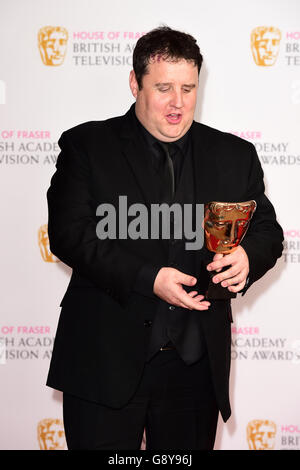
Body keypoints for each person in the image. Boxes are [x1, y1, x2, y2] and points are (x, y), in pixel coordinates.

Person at [46, 26, 283, 450]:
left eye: (188, 88)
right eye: (164, 88)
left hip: (194, 368)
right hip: (104, 357)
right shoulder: (87, 145)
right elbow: (69, 235)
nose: (178, 103)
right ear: (135, 83)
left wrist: (248, 258)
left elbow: (267, 231)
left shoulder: (233, 154)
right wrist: (148, 278)